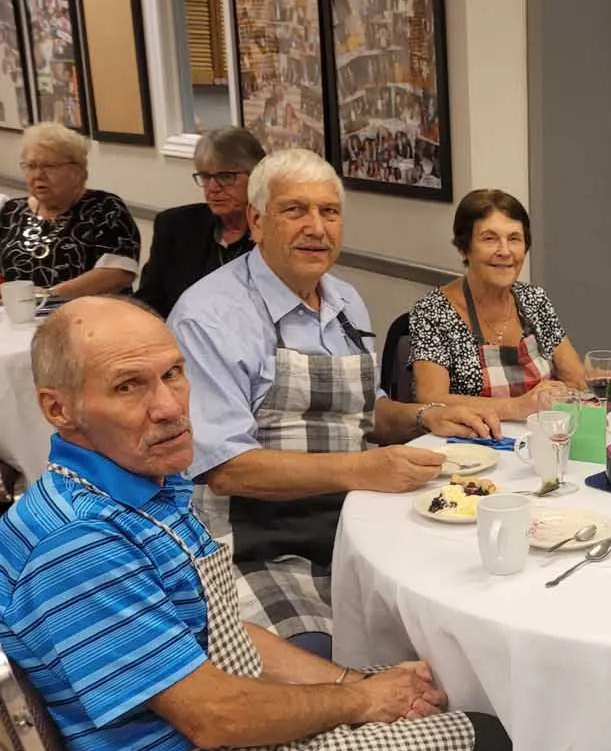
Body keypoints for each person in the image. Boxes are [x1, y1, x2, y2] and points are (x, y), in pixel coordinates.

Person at [0, 297, 510, 751]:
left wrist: (357, 683)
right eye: (129, 386)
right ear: (58, 408)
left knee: (423, 713)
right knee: (488, 748)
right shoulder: (83, 543)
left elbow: (224, 632)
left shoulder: (130, 488)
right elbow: (213, 717)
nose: (168, 405)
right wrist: (359, 702)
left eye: (173, 375)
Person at [167, 150, 493, 656]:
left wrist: (426, 415)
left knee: (465, 621)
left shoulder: (344, 300)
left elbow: (366, 410)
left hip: (357, 526)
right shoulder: (209, 316)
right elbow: (227, 468)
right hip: (254, 545)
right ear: (255, 220)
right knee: (323, 659)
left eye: (330, 212)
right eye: (295, 210)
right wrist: (364, 470)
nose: (316, 228)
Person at [408, 189, 586, 419]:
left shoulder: (535, 300)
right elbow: (431, 399)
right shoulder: (432, 311)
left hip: (539, 438)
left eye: (514, 239)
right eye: (490, 239)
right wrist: (516, 407)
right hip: (470, 445)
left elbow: (576, 380)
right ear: (464, 247)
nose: (504, 251)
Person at [135, 127, 265, 318]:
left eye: (226, 177)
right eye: (205, 176)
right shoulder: (175, 225)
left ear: (256, 177)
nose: (212, 188)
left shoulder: (272, 232)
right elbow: (149, 301)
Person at [0, 122, 139, 298]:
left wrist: (48, 297)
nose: (38, 175)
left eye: (49, 166)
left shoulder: (105, 208)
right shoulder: (11, 211)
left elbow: (118, 273)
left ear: (78, 171)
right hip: (13, 317)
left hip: (87, 315)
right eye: (31, 166)